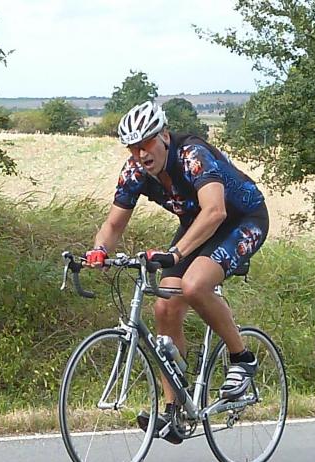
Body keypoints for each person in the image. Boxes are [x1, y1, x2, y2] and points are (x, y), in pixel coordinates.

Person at [84, 100, 269, 444]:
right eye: (133, 148)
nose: (141, 154)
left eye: (146, 144)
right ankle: (174, 411)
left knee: (194, 285)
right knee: (165, 306)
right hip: (197, 226)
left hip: (241, 220)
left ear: (164, 136)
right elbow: (113, 224)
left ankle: (242, 359)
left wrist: (176, 253)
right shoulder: (135, 171)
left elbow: (215, 211)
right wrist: (98, 251)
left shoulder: (192, 156)